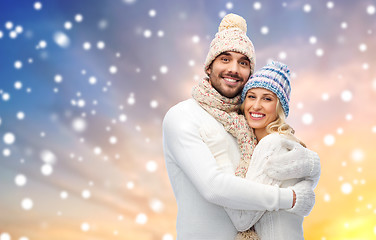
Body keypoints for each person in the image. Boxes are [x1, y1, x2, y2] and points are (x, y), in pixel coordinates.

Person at [162, 13, 320, 239]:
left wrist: (311, 167)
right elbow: (213, 186)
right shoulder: (183, 115)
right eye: (225, 59)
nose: (234, 69)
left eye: (243, 63)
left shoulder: (247, 121)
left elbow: (275, 159)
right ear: (209, 67)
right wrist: (291, 198)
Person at [200, 61, 320, 239]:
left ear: (279, 108)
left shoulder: (271, 144)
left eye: (267, 98)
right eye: (251, 96)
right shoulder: (280, 143)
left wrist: (220, 154)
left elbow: (242, 220)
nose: (256, 106)